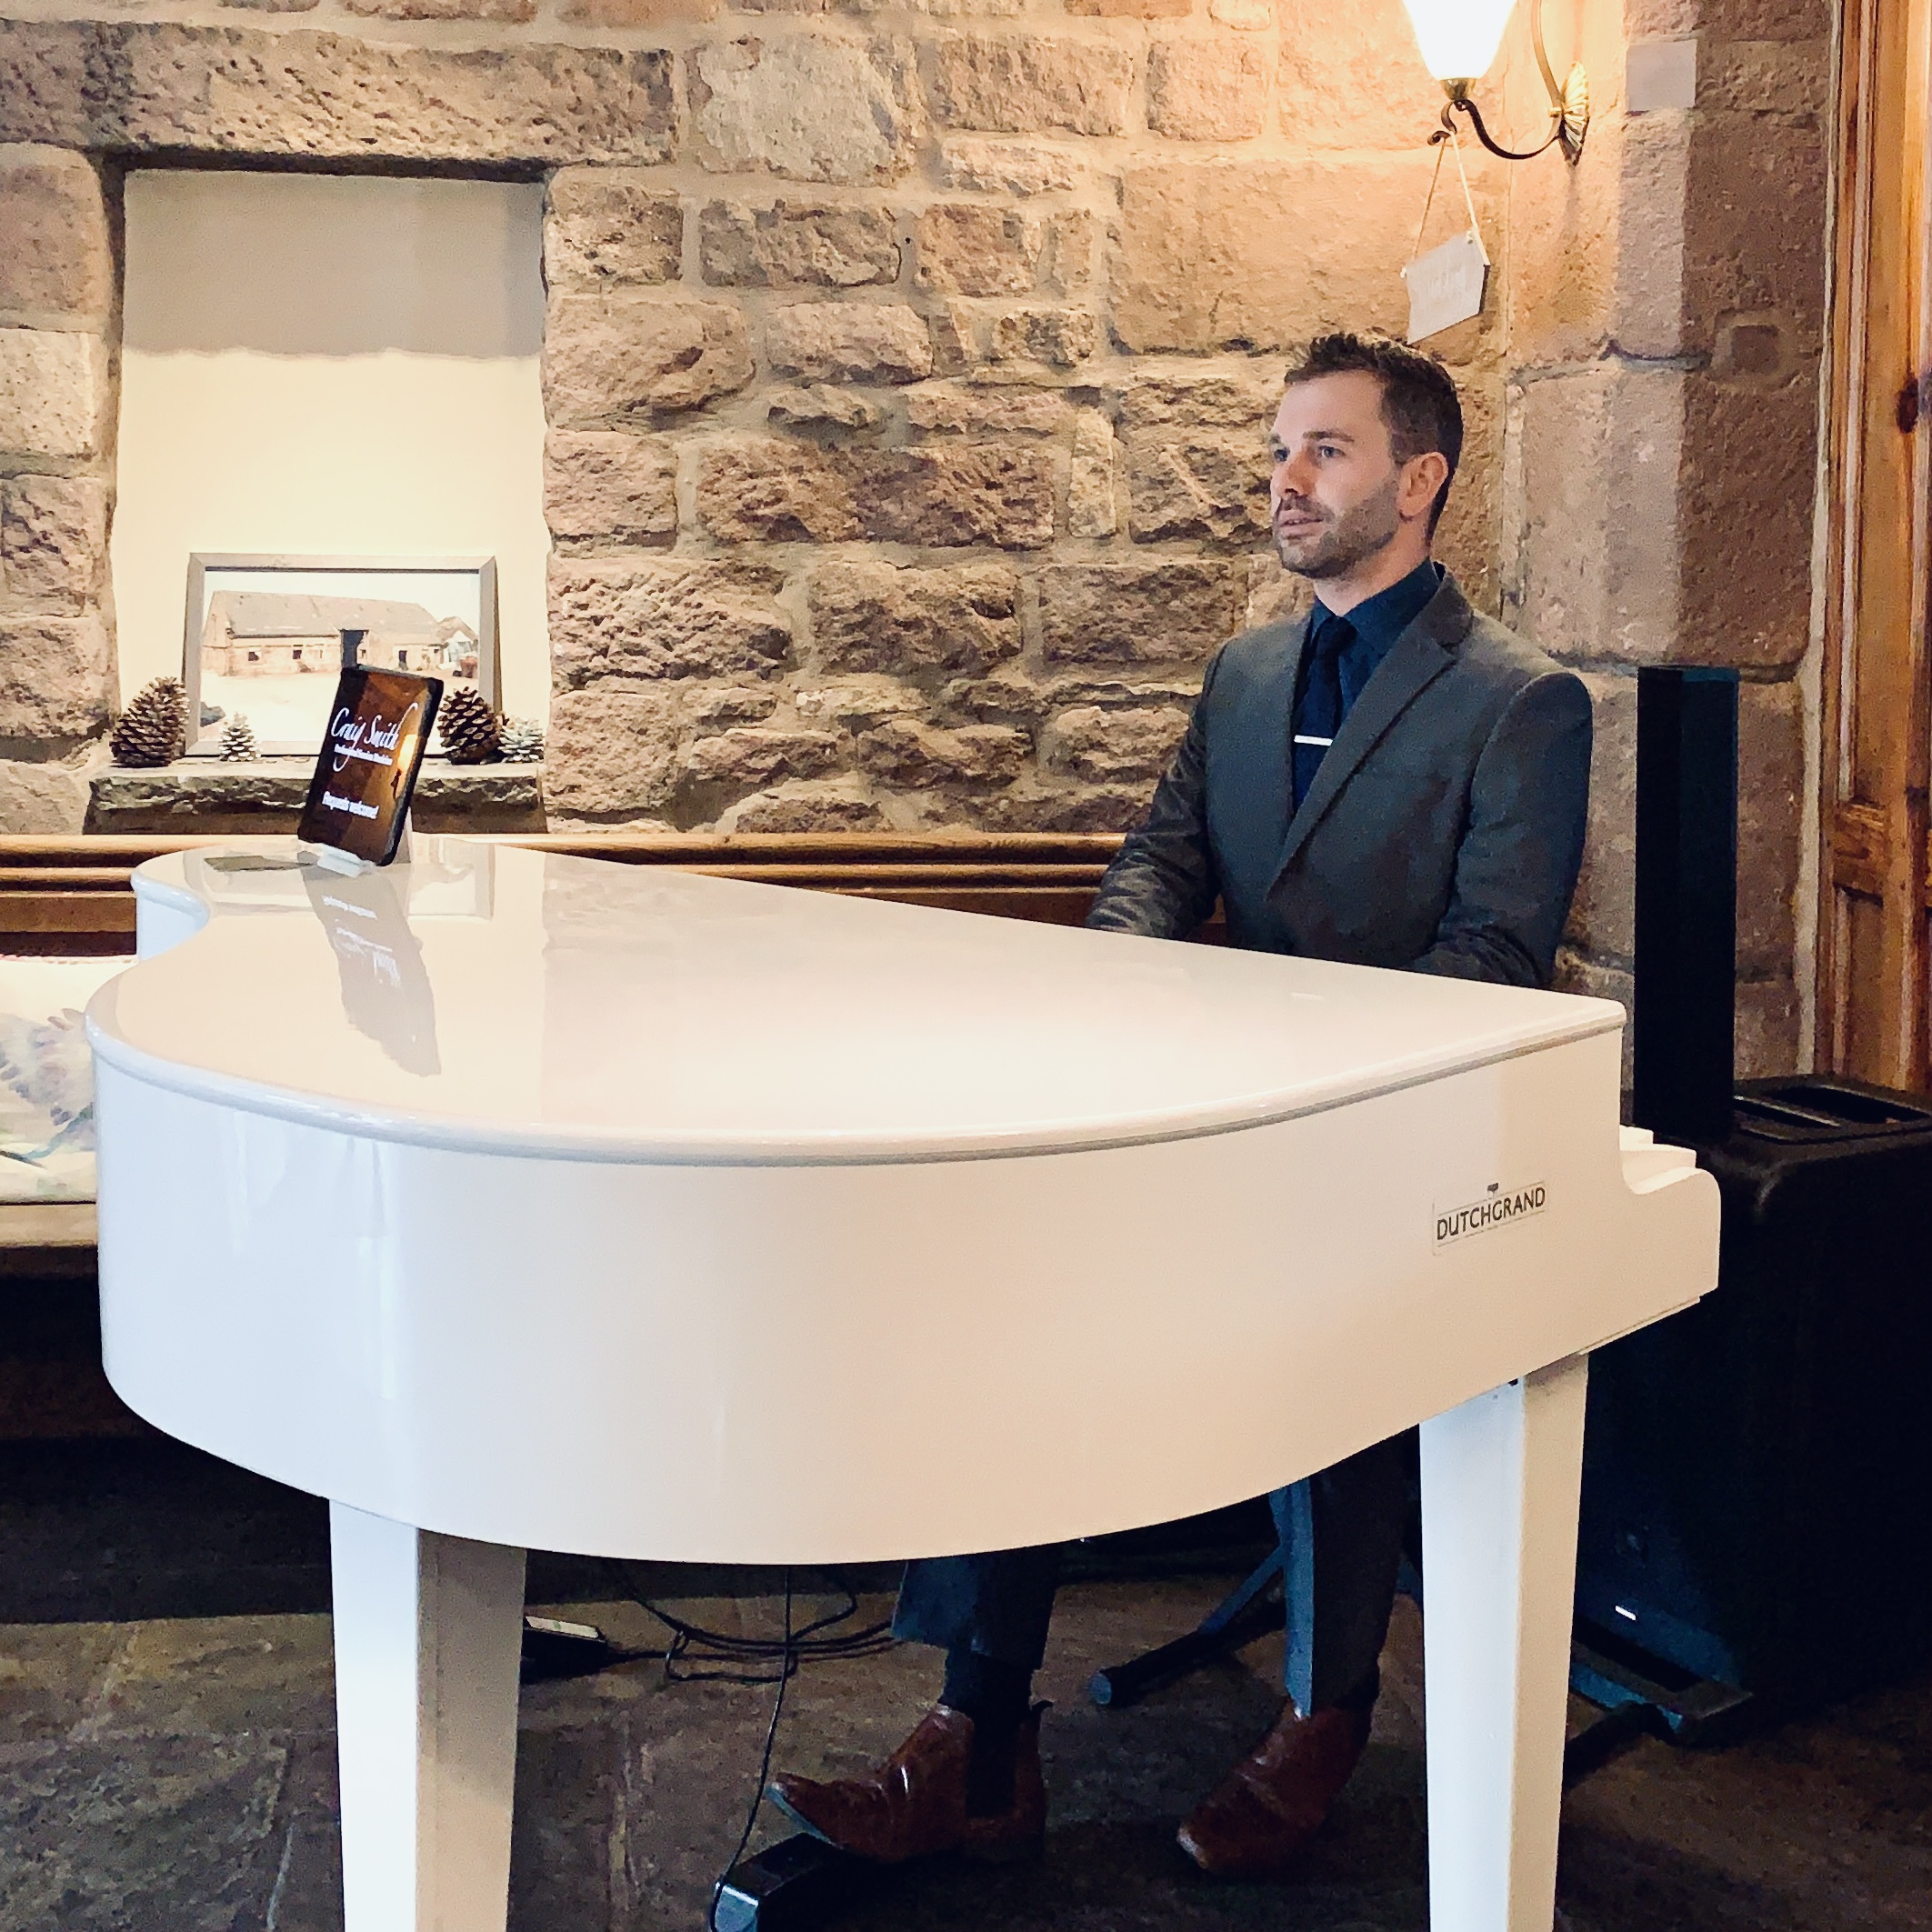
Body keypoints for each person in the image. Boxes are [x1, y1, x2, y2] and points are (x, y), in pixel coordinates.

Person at [768, 331, 1595, 1881]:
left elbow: (1491, 957)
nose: (1284, 478)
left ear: (1419, 480)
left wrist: (1268, 1063)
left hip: (1377, 1150)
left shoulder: (1520, 701)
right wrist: (1119, 988)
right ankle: (974, 1730)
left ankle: (1323, 1709)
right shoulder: (1246, 670)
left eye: (1323, 450)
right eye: (1278, 449)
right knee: (1010, 1310)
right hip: (1195, 1125)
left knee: (1350, 1365)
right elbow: (1162, 854)